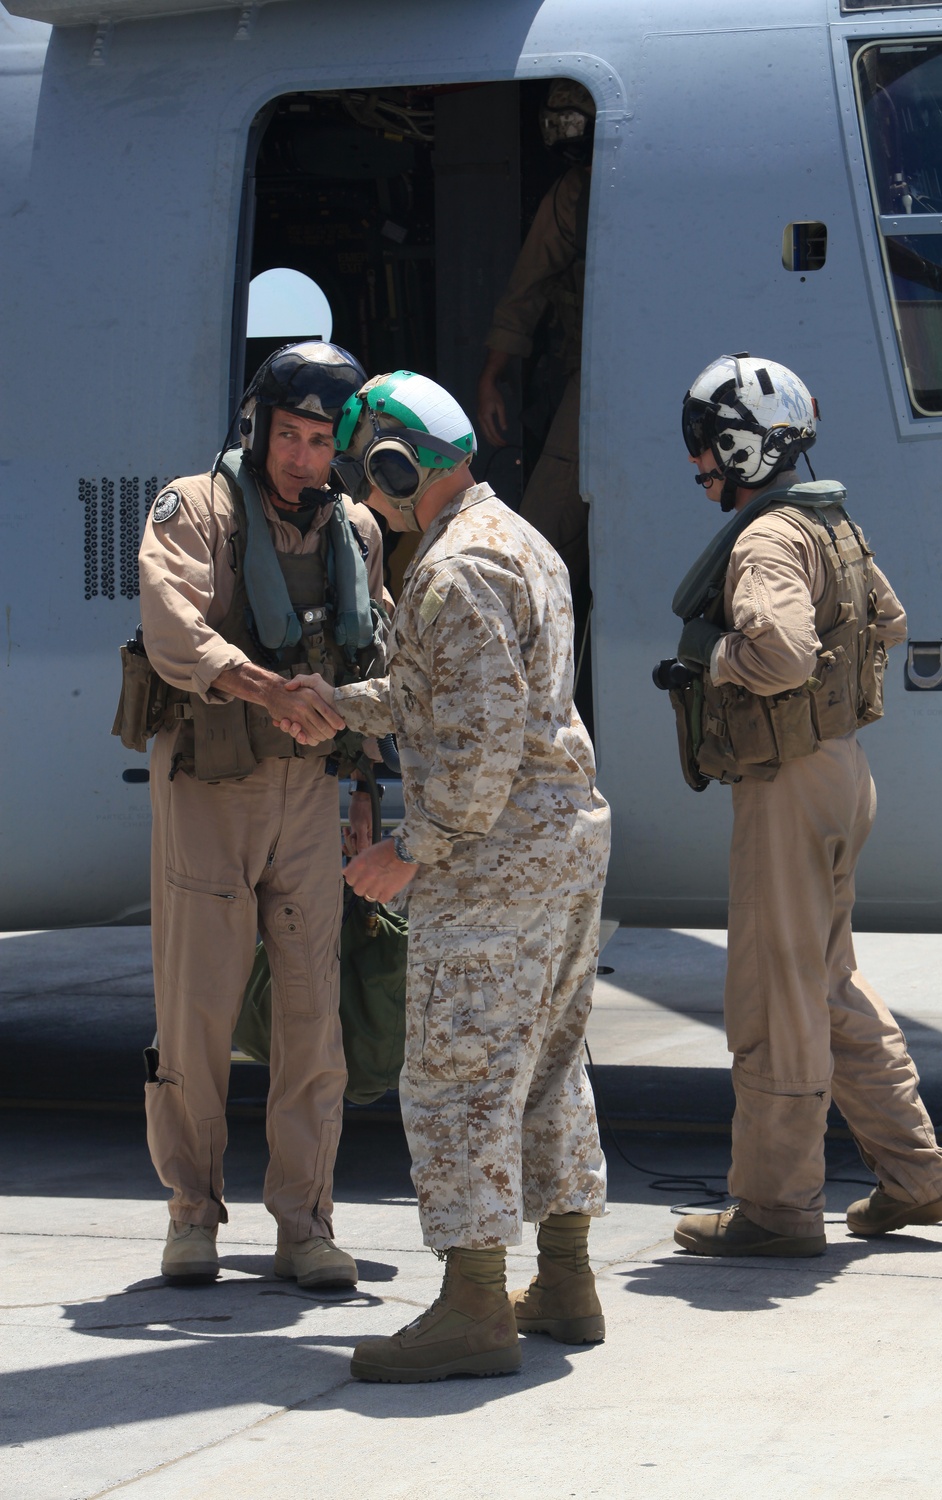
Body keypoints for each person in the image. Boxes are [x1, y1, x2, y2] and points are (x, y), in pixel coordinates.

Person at [282, 369, 611, 1381]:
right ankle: (563, 1279)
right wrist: (344, 702)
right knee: (549, 1066)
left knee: (459, 1080)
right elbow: (451, 692)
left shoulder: (453, 568)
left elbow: (474, 741)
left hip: (492, 855)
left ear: (397, 458)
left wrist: (406, 849)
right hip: (559, 846)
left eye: (367, 465)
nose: (363, 489)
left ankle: (474, 1306)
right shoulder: (518, 542)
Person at [666, 353, 942, 1257]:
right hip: (841, 773)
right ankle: (915, 1176)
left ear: (743, 447)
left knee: (775, 997)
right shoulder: (832, 523)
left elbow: (786, 654)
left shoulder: (764, 540)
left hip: (789, 786)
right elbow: (894, 620)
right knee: (829, 982)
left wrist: (713, 662)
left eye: (706, 451)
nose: (699, 470)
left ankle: (775, 1208)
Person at [136, 341, 385, 1288]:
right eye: (289, 436)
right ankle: (192, 1212)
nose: (303, 459)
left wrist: (366, 793)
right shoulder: (194, 509)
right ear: (259, 429)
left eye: (322, 442)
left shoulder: (354, 532)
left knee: (312, 1017)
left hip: (310, 797)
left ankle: (306, 1223)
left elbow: (369, 664)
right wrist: (263, 687)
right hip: (211, 784)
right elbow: (172, 626)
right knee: (196, 1009)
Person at [477, 79, 594, 634]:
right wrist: (493, 374)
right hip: (594, 379)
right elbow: (530, 284)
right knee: (544, 527)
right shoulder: (575, 194)